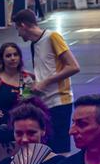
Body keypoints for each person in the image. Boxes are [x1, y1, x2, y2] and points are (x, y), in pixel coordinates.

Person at [13, 9, 81, 154]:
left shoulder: (52, 37)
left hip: (59, 101)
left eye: (17, 28)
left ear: (23, 25)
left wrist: (45, 82)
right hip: (44, 102)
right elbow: (46, 70)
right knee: (47, 148)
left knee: (60, 148)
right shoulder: (34, 44)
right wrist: (33, 78)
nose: (18, 33)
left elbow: (74, 66)